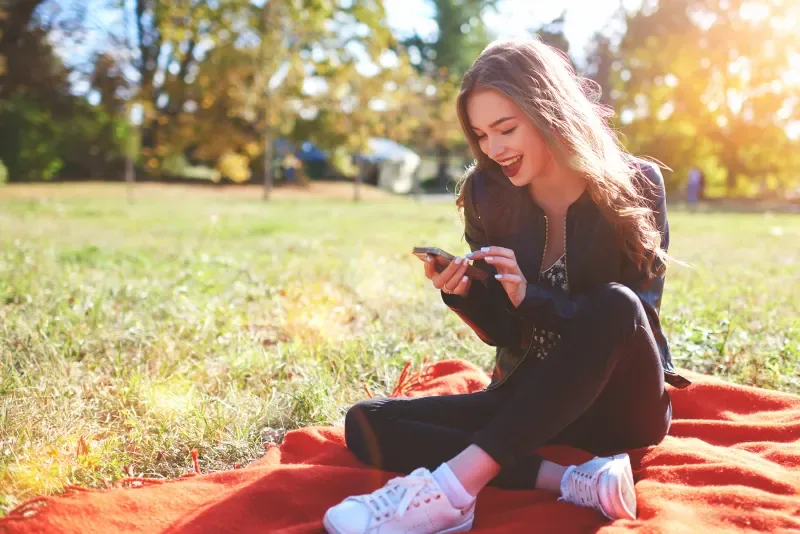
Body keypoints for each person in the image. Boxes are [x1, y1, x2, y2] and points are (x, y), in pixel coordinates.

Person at [322, 38, 692, 534]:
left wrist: (532, 298)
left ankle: (452, 492)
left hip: (621, 407)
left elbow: (636, 317)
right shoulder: (486, 192)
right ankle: (568, 480)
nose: (494, 150)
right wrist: (463, 293)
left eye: (506, 129)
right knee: (368, 421)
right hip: (529, 398)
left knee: (616, 302)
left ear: (549, 112)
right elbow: (503, 333)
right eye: (481, 134)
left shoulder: (636, 183)